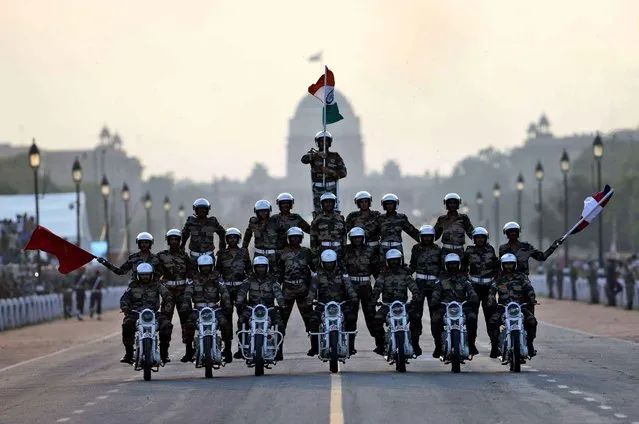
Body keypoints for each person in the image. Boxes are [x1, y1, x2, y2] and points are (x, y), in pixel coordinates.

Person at [181, 254, 233, 363]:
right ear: (199, 267)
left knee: (225, 324)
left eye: (208, 266)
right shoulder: (193, 279)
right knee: (188, 325)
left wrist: (228, 305)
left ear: (212, 266)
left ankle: (227, 351)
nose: (206, 268)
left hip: (214, 308)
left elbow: (224, 292)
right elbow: (187, 294)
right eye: (203, 266)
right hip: (198, 309)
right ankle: (189, 351)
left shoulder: (217, 278)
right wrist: (185, 307)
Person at [119, 263, 174, 364]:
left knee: (167, 325)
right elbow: (124, 298)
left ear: (151, 274)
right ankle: (129, 353)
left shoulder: (157, 284)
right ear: (138, 275)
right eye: (143, 274)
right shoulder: (133, 285)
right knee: (126, 324)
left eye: (147, 274)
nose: (145, 277)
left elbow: (168, 295)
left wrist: (167, 307)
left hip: (153, 313)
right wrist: (125, 307)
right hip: (136, 313)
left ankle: (164, 353)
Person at [306, 249, 358, 356]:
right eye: (326, 263)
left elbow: (349, 287)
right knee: (313, 320)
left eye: (331, 263)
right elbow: (312, 289)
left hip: (341, 305)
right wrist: (309, 300)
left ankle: (351, 347)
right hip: (322, 306)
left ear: (335, 262)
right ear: (322, 262)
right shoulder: (317, 275)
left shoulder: (343, 274)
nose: (329, 265)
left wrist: (353, 296)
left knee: (351, 319)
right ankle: (315, 347)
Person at [371, 249, 422, 356]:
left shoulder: (405, 274)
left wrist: (416, 294)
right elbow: (377, 288)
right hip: (387, 306)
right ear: (387, 262)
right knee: (377, 319)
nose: (394, 263)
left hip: (403, 305)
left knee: (416, 318)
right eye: (391, 261)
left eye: (396, 260)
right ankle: (381, 345)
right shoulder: (383, 275)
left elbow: (413, 285)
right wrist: (374, 299)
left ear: (400, 260)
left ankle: (415, 343)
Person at [486, 253, 538, 358]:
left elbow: (529, 289)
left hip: (520, 307)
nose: (508, 266)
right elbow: (491, 292)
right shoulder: (498, 279)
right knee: (492, 322)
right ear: (502, 265)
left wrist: (532, 298)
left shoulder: (522, 277)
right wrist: (491, 302)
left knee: (532, 321)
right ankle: (495, 347)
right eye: (506, 264)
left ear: (515, 265)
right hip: (503, 308)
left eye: (511, 264)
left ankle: (530, 345)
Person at [157, 229, 196, 362]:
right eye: (171, 239)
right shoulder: (161, 256)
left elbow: (191, 272)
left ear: (179, 241)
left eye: (176, 240)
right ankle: (163, 353)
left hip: (182, 292)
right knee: (165, 322)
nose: (174, 242)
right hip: (168, 293)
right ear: (168, 241)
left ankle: (189, 352)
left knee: (187, 322)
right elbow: (153, 270)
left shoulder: (184, 256)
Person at [235, 256, 286, 359]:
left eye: (263, 267)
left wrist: (281, 304)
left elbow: (278, 293)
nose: (260, 269)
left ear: (267, 267)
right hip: (252, 309)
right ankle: (241, 348)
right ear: (254, 267)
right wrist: (239, 301)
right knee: (241, 321)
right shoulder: (248, 280)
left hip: (269, 309)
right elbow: (242, 292)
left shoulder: (272, 281)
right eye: (258, 267)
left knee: (280, 325)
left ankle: (279, 350)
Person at [430, 253, 479, 358]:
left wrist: (473, 299)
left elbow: (471, 291)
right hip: (445, 307)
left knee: (472, 317)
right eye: (450, 264)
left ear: (459, 265)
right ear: (446, 265)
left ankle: (471, 344)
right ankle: (438, 346)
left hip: (462, 307)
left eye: (455, 264)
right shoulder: (441, 280)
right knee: (435, 319)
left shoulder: (464, 279)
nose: (453, 266)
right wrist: (435, 301)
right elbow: (436, 293)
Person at [276, 227, 315, 358]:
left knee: (311, 320)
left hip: (303, 290)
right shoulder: (283, 253)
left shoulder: (306, 252)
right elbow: (279, 273)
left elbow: (314, 270)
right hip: (287, 290)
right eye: (292, 237)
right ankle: (278, 350)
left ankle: (315, 347)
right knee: (281, 322)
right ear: (289, 238)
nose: (295, 239)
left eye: (297, 237)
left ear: (301, 238)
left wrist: (314, 289)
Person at [342, 227, 380, 352]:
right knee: (350, 317)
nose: (357, 240)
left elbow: (375, 270)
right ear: (351, 239)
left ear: (363, 238)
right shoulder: (345, 250)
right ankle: (349, 346)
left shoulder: (369, 251)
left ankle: (380, 344)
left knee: (371, 315)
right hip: (350, 286)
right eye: (354, 238)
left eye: (359, 237)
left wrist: (380, 286)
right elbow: (341, 268)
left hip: (365, 286)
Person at [215, 227, 252, 359]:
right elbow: (217, 270)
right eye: (229, 238)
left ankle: (243, 348)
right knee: (226, 319)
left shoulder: (243, 252)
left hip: (240, 288)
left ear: (238, 239)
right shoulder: (221, 253)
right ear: (226, 239)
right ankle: (228, 349)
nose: (232, 240)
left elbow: (249, 269)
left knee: (243, 318)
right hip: (226, 290)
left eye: (234, 237)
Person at [300, 131, 347, 218]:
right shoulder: (313, 154)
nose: (323, 143)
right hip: (318, 189)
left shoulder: (335, 156)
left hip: (331, 188)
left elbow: (343, 173)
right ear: (317, 143)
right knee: (318, 213)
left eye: (326, 141)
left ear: (330, 142)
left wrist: (329, 171)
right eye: (321, 141)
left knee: (333, 212)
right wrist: (317, 155)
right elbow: (303, 160)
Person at [462, 227, 498, 338]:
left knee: (492, 317)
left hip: (488, 287)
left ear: (486, 238)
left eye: (482, 237)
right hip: (474, 287)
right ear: (474, 239)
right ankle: (471, 345)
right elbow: (463, 267)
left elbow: (496, 267)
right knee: (471, 317)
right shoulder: (469, 250)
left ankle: (495, 346)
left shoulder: (491, 250)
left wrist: (495, 282)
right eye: (477, 238)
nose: (480, 240)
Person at [181, 198, 226, 264]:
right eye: (199, 208)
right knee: (192, 273)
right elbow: (184, 235)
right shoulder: (191, 221)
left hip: (209, 255)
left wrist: (222, 248)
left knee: (211, 274)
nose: (202, 211)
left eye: (204, 208)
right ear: (195, 210)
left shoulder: (212, 221)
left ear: (207, 210)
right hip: (194, 256)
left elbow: (222, 233)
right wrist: (182, 246)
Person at [377, 193, 420, 261]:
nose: (389, 206)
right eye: (387, 204)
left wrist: (425, 240)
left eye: (391, 204)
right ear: (384, 205)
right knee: (382, 268)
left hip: (397, 247)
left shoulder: (401, 218)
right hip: (383, 248)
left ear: (395, 204)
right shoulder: (380, 218)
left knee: (400, 268)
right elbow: (372, 233)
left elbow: (412, 231)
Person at [310, 193, 347, 265]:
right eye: (326, 202)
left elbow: (344, 236)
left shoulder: (340, 218)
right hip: (322, 249)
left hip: (338, 249)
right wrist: (314, 256)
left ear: (334, 203)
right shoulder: (317, 219)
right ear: (322, 204)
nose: (328, 204)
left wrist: (344, 253)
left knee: (338, 271)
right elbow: (313, 238)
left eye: (330, 202)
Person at [434, 193, 474, 260]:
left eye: (455, 203)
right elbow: (435, 235)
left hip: (459, 250)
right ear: (446, 204)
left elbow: (471, 233)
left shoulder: (464, 218)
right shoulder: (442, 219)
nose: (452, 205)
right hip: (445, 250)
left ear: (458, 204)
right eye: (450, 203)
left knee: (462, 269)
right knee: (443, 269)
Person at [242, 200, 280, 272]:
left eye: (265, 211)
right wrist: (244, 247)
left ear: (269, 211)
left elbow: (282, 237)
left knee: (274, 275)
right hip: (259, 255)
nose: (263, 213)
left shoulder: (275, 222)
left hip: (273, 256)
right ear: (256, 212)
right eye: (260, 211)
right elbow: (247, 236)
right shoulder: (253, 223)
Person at [345, 191, 382, 257]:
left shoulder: (376, 215)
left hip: (375, 248)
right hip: (359, 249)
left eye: (366, 201)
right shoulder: (352, 216)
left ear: (369, 202)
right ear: (358, 203)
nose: (364, 204)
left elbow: (382, 230)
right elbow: (345, 231)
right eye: (361, 202)